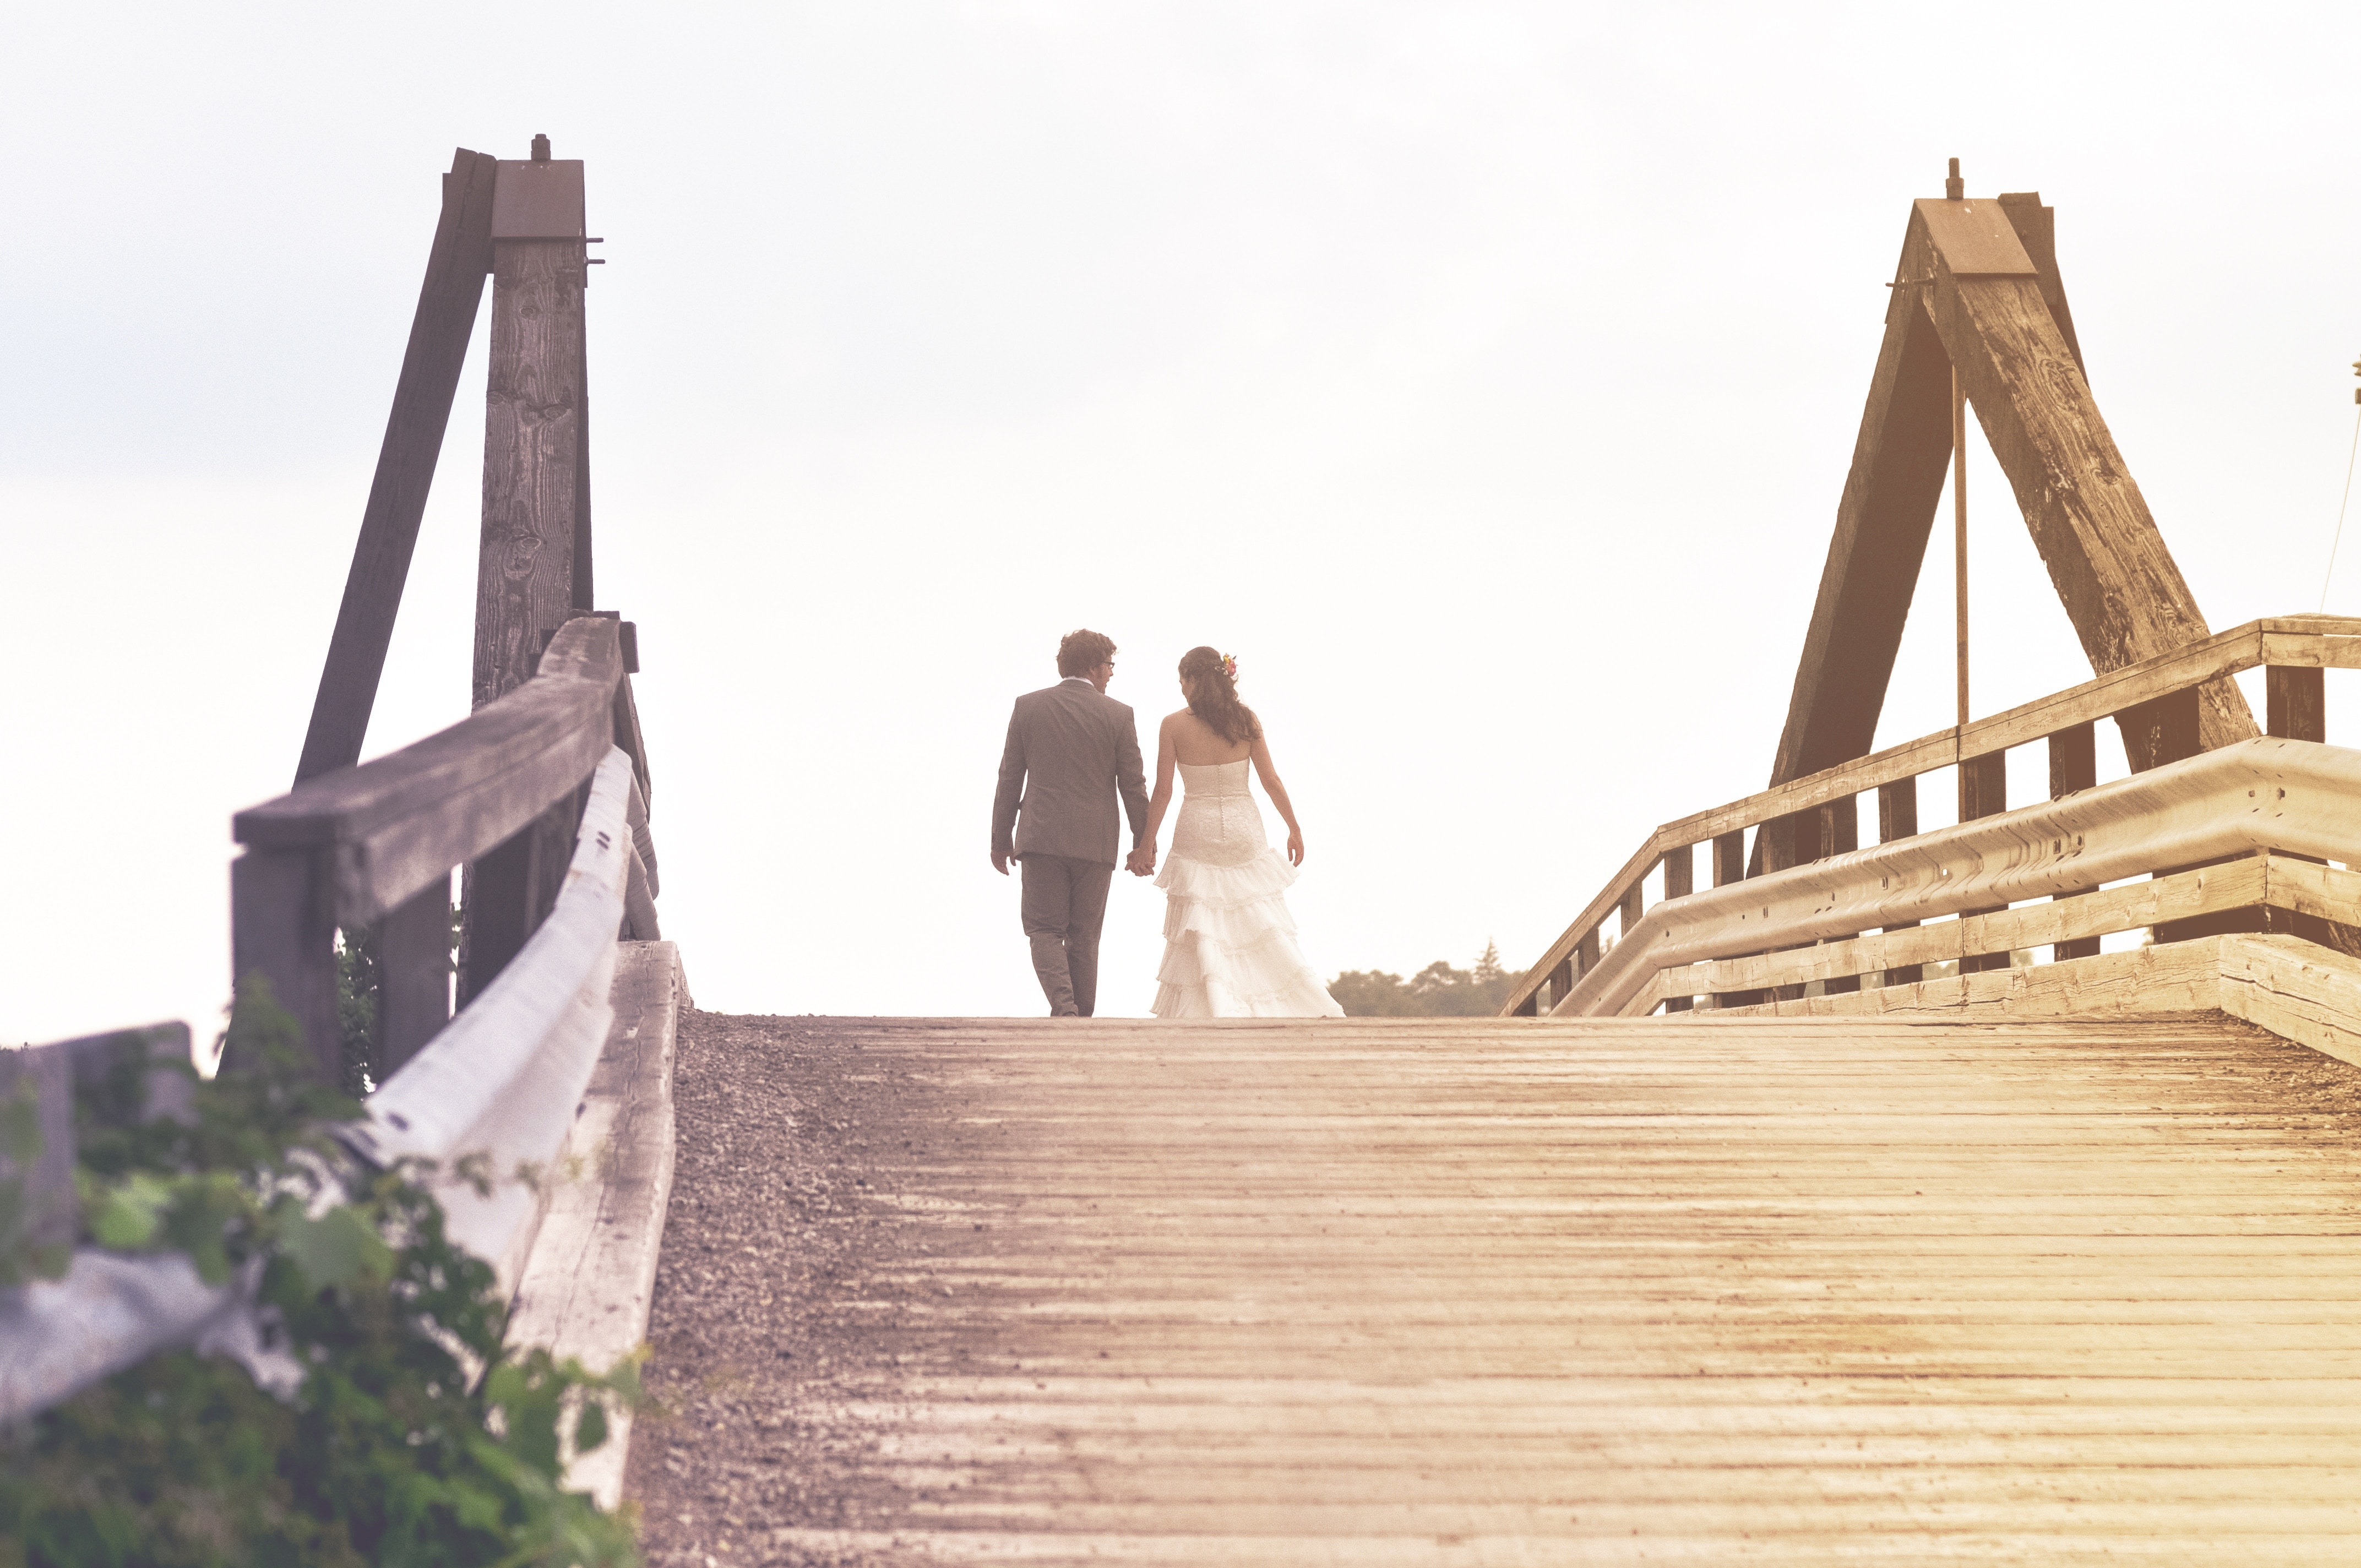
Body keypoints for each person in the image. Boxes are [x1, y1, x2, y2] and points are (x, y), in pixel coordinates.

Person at [1128, 647, 1343, 1018]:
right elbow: (1270, 781)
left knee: (1204, 921)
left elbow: (1163, 792)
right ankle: (1279, 1002)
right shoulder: (1245, 720)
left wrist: (1146, 845)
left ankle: (1214, 1005)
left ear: (1195, 680)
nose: (1181, 688)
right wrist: (1294, 827)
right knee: (1257, 919)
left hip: (1196, 832)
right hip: (1245, 830)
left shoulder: (1173, 725)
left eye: (1183, 680)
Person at [992, 629, 1151, 1017]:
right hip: (1096, 843)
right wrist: (1143, 843)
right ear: (1094, 667)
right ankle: (1081, 1016)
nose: (1111, 674)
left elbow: (1010, 778)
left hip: (1041, 837)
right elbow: (1133, 784)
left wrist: (1000, 839)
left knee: (1044, 930)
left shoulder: (1028, 707)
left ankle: (1065, 1009)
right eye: (1109, 665)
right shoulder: (1118, 715)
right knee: (1085, 938)